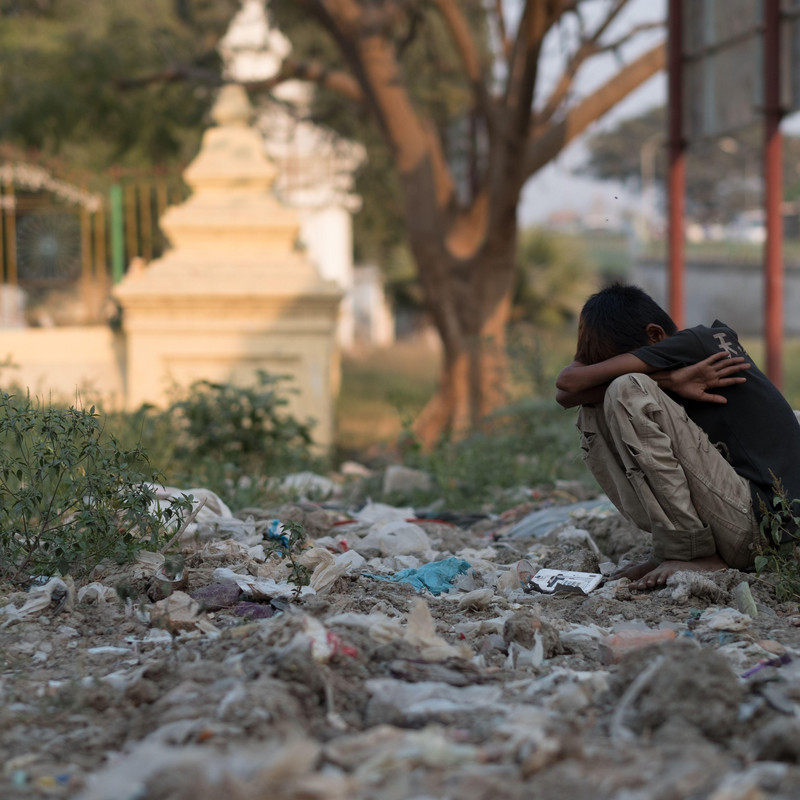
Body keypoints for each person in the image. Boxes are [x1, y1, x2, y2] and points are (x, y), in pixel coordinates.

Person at [555, 283, 800, 590]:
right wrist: (670, 379)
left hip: (765, 527)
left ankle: (692, 551)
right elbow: (566, 393)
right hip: (730, 519)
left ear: (655, 336)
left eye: (617, 362)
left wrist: (646, 378)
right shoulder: (672, 371)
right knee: (591, 406)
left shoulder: (701, 341)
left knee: (625, 388)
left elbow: (568, 379)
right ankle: (674, 546)